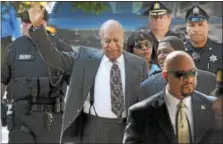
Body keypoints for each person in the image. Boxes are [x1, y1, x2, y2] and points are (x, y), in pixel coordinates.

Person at [27, 3, 148, 143]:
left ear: (123, 39)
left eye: (116, 40)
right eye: (107, 41)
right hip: (93, 127)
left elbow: (144, 101)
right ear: (100, 40)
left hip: (126, 128)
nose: (112, 45)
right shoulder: (85, 58)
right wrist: (38, 28)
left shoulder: (138, 64)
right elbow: (55, 58)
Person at [1, 7, 73, 143]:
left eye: (28, 21)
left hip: (51, 120)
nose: (23, 24)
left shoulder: (60, 47)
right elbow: (2, 80)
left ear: (44, 23)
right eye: (22, 21)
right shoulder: (13, 48)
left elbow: (75, 83)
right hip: (21, 118)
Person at [123, 51, 217, 144]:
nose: (189, 79)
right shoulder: (140, 114)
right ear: (165, 75)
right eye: (180, 74)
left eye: (193, 72)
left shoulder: (214, 108)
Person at [139, 36, 216, 101]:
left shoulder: (210, 80)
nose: (161, 57)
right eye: (159, 53)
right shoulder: (147, 86)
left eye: (166, 52)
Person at [185, 6, 222, 74]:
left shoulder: (220, 51)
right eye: (192, 25)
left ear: (208, 26)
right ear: (186, 28)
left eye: (200, 25)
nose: (196, 30)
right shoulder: (179, 51)